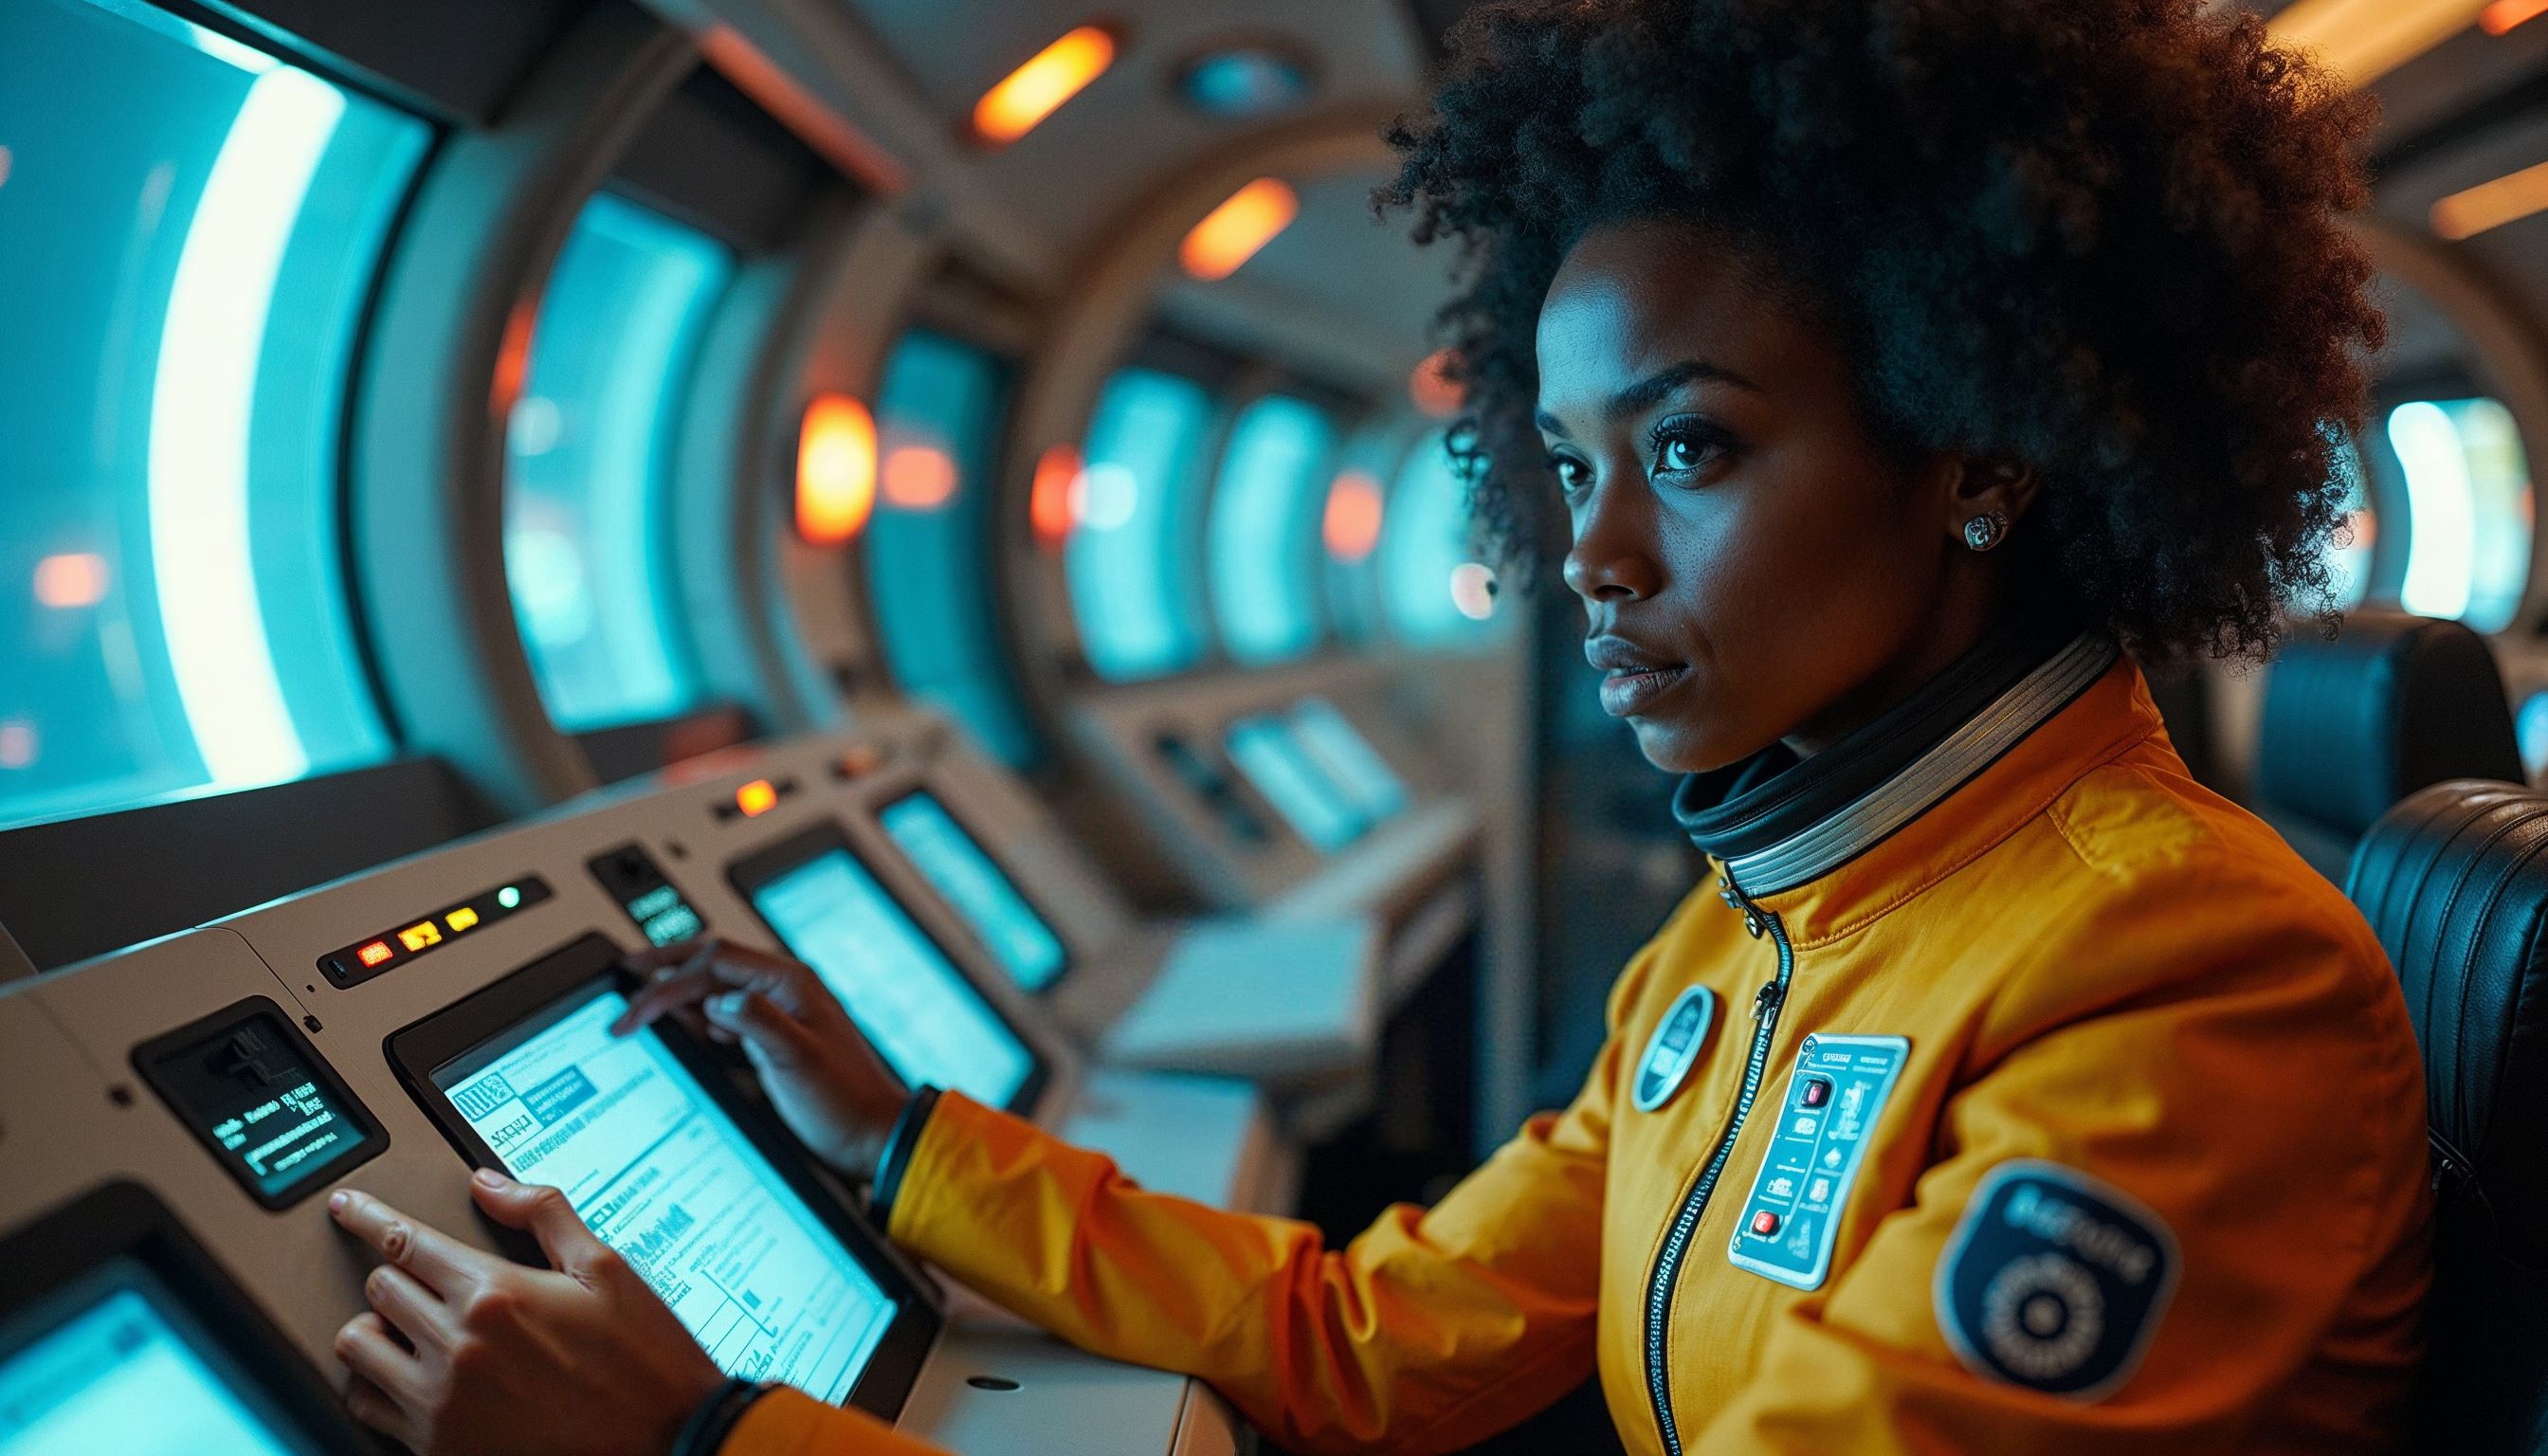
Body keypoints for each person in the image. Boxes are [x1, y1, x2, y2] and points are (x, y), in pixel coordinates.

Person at [324, 0, 2434, 1451]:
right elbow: (1367, 1342)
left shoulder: (2183, 989)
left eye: (1688, 453)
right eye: (1565, 465)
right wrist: (901, 1148)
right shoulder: (1754, 938)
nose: (1586, 562)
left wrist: (702, 1438)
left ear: (1985, 451)